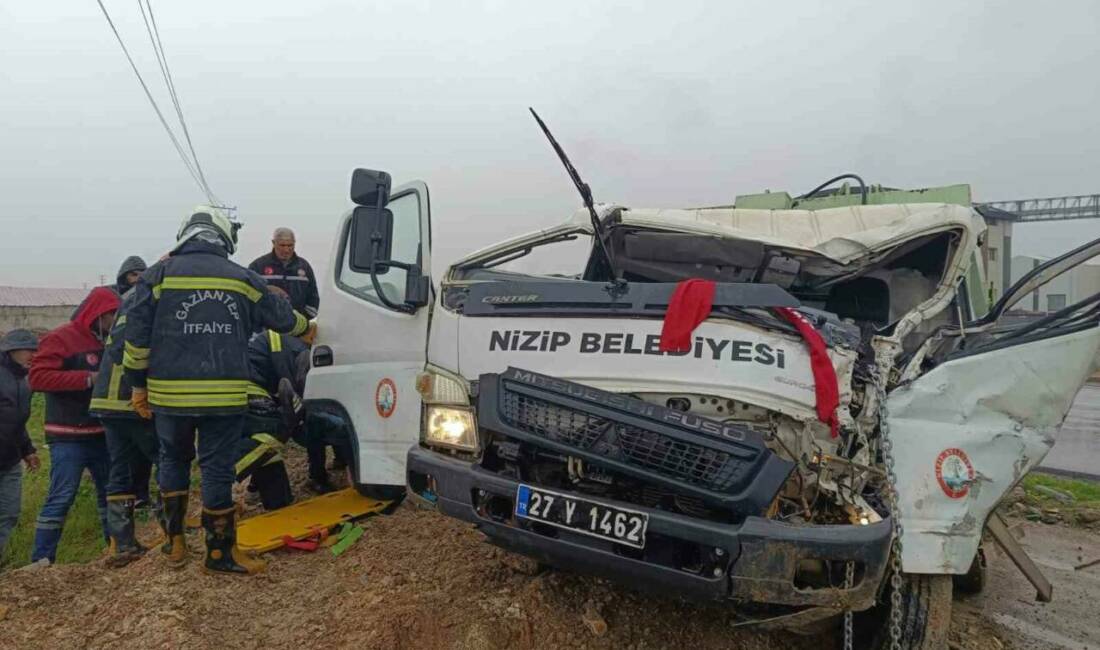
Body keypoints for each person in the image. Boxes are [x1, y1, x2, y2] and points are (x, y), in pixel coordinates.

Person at [123, 206, 312, 575]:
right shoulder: (242, 277)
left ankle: (174, 542)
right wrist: (309, 326)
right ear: (224, 238)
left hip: (169, 397)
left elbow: (136, 338)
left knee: (173, 460)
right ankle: (218, 553)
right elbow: (285, 318)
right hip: (224, 396)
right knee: (216, 469)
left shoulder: (157, 276)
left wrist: (138, 386)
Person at [29, 286, 120, 563]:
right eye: (111, 315)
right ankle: (42, 560)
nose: (114, 321)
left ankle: (115, 549)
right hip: (68, 435)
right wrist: (87, 379)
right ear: (97, 313)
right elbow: (38, 378)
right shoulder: (61, 338)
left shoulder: (108, 341)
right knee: (62, 495)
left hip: (101, 433)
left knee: (111, 495)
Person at [89, 287, 160, 568]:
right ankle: (174, 530)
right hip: (132, 401)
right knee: (168, 459)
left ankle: (122, 543)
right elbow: (129, 349)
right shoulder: (148, 303)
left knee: (121, 471)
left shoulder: (130, 300)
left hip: (109, 403)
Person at [0, 330, 40, 558]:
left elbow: (17, 420)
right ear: (11, 350)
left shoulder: (23, 380)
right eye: (28, 350)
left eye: (35, 350)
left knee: (8, 513)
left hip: (10, 460)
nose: (33, 355)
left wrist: (28, 450)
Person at [248, 227, 320, 318]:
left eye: (290, 245)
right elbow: (248, 296)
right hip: (265, 327)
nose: (286, 250)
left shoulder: (304, 267)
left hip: (297, 327)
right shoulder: (258, 266)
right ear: (273, 243)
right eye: (282, 245)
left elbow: (313, 299)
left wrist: (305, 322)